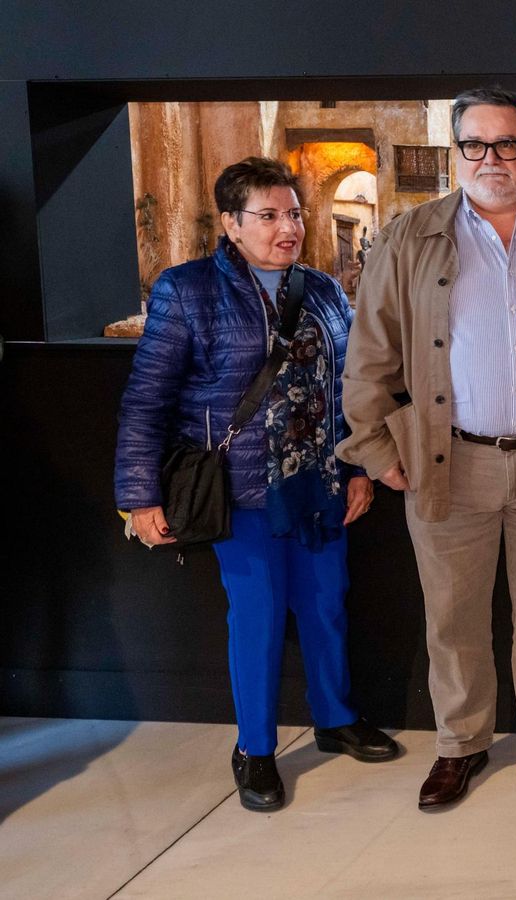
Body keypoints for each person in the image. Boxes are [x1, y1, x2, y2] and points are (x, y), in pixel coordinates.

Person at [337, 87, 516, 811]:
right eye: (475, 144)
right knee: (453, 613)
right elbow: (371, 353)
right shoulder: (407, 239)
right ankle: (460, 745)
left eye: (507, 144)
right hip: (447, 462)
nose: (492, 159)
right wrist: (377, 449)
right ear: (455, 154)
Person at [115, 156, 398, 812]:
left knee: (328, 605)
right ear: (231, 224)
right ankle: (256, 749)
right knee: (260, 616)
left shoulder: (324, 290)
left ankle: (334, 718)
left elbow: (349, 390)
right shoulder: (186, 290)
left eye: (294, 213)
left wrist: (357, 469)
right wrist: (138, 493)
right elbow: (145, 400)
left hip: (319, 483)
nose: (287, 227)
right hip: (242, 491)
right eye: (268, 215)